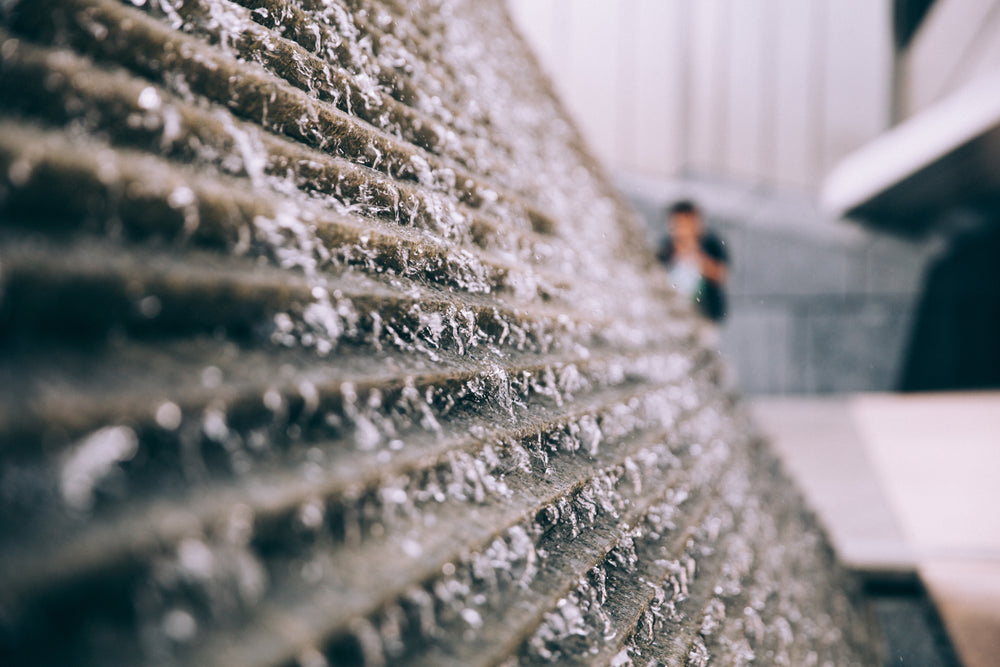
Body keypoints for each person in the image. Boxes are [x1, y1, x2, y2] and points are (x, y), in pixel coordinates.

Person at [656, 200, 729, 322]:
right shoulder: (666, 247)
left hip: (705, 314)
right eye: (678, 224)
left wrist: (694, 256)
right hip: (673, 314)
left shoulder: (710, 244)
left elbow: (722, 275)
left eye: (686, 224)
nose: (683, 230)